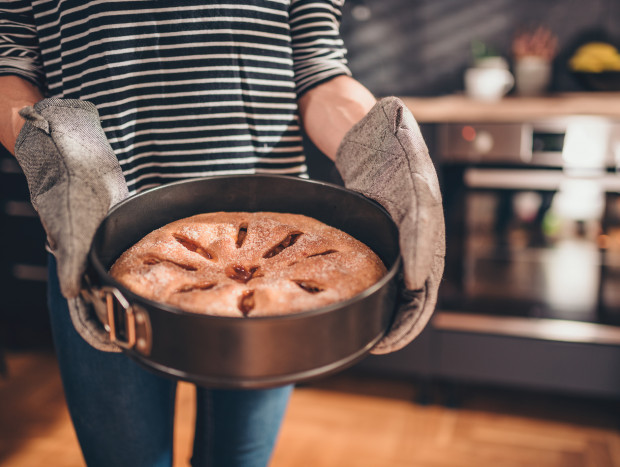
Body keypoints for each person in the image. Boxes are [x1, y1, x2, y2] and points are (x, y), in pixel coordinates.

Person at [0, 1, 444, 466]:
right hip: (93, 237)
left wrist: (381, 153)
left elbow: (319, 70)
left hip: (279, 247)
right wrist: (52, 153)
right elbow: (11, 63)